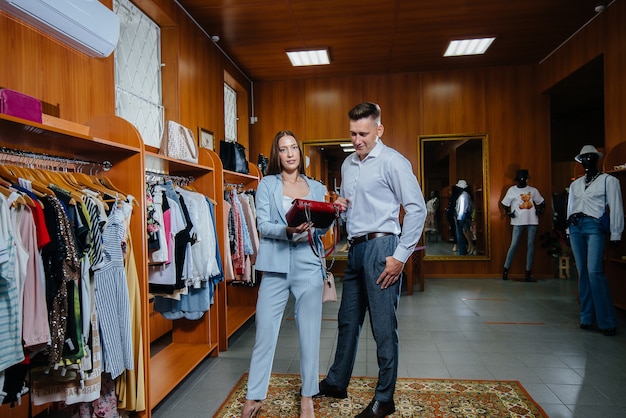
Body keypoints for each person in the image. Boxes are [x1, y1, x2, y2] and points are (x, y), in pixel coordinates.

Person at [314, 102, 426, 418]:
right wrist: (339, 204)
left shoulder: (393, 162)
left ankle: (385, 398)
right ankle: (337, 382)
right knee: (348, 320)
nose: (358, 139)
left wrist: (400, 257)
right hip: (356, 248)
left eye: (363, 133)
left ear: (379, 129)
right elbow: (352, 208)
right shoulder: (348, 165)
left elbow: (417, 208)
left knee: (383, 326)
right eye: (353, 133)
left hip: (383, 247)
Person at [241, 130, 328, 418]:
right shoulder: (266, 185)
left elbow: (323, 230)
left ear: (300, 153)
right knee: (265, 331)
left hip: (308, 264)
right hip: (276, 264)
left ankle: (307, 397)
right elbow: (263, 225)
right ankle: (254, 396)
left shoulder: (316, 187)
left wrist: (329, 216)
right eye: (283, 149)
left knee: (309, 333)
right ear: (277, 155)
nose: (290, 153)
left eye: (294, 148)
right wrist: (288, 230)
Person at [567, 145, 623, 337]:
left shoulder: (609, 180)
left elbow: (616, 207)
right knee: (583, 273)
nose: (586, 161)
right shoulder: (576, 184)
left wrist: (616, 233)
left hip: (594, 226)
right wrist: (568, 231)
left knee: (595, 272)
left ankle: (607, 320)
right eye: (583, 158)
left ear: (596, 159)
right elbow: (570, 207)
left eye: (590, 157)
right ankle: (587, 316)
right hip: (575, 227)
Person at [501, 169, 546, 281]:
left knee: (530, 245)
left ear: (526, 179)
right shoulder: (512, 190)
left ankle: (528, 271)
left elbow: (542, 202)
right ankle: (506, 269)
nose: (522, 180)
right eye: (520, 179)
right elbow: (504, 203)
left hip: (532, 220)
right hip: (518, 220)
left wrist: (540, 211)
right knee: (514, 244)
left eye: (524, 178)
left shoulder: (533, 190)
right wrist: (508, 213)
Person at [454, 180, 474, 255]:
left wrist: (459, 217)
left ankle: (462, 251)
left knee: (459, 234)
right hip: (464, 215)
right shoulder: (466, 195)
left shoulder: (463, 196)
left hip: (461, 215)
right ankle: (464, 250)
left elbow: (462, 208)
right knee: (464, 232)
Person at [445, 184, 461, 252]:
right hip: (452, 216)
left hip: (454, 216)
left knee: (456, 231)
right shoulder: (453, 197)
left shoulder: (456, 198)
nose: (450, 191)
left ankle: (456, 244)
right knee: (455, 230)